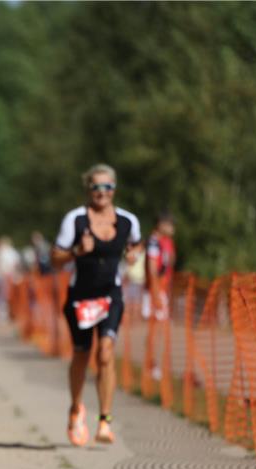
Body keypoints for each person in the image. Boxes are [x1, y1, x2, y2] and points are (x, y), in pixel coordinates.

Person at [51, 164, 142, 446]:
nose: (102, 193)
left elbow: (136, 244)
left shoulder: (127, 221)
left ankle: (105, 420)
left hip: (110, 296)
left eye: (107, 187)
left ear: (114, 189)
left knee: (105, 352)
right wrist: (78, 251)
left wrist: (132, 255)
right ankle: (76, 408)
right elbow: (55, 258)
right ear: (87, 190)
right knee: (82, 353)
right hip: (80, 296)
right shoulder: (75, 220)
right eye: (96, 187)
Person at [143, 211, 177, 381]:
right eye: (170, 224)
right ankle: (152, 366)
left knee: (160, 330)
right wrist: (156, 294)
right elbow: (152, 269)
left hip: (162, 290)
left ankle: (155, 365)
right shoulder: (154, 242)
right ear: (161, 224)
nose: (173, 228)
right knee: (155, 331)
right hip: (155, 290)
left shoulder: (167, 242)